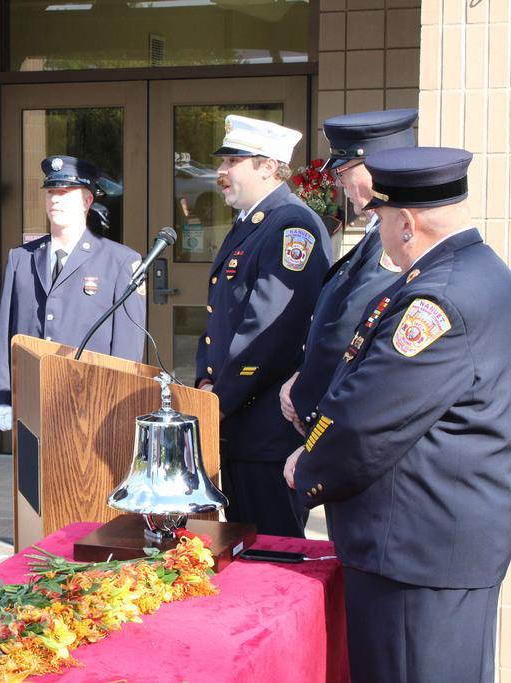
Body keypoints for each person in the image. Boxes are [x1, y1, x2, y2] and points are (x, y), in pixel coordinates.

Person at [286, 147, 511, 683]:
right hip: (437, 539)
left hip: (415, 551)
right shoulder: (479, 271)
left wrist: (307, 466)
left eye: (382, 219)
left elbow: (367, 422)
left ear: (406, 222)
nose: (382, 233)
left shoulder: (437, 301)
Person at [195, 115, 330, 537]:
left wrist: (218, 400)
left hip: (266, 429)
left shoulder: (291, 224)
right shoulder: (253, 223)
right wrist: (204, 380)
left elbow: (270, 332)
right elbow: (220, 317)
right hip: (240, 423)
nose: (221, 172)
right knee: (244, 550)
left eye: (233, 160)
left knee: (272, 556)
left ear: (268, 165)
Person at [280, 109, 417, 435]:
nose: (339, 182)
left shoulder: (394, 234)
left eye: (343, 171)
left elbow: (350, 326)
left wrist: (304, 392)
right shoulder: (376, 229)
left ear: (375, 167)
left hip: (347, 410)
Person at [0, 155, 146, 431]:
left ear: (87, 201)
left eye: (65, 193)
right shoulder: (21, 258)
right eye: (51, 193)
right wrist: (3, 396)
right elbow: (6, 333)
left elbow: (127, 346)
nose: (55, 200)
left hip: (92, 405)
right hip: (32, 401)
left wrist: (122, 402)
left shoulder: (119, 261)